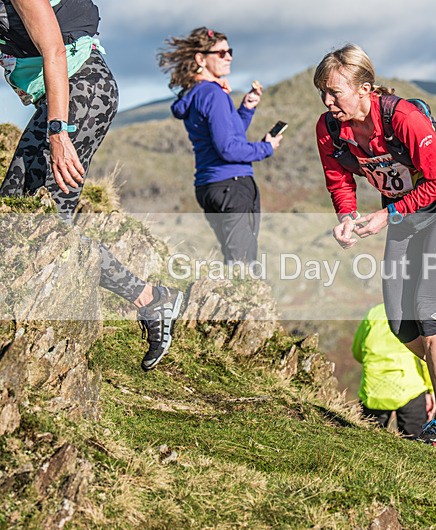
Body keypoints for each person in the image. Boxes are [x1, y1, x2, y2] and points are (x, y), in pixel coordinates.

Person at [314, 44, 436, 447]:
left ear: (365, 89)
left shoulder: (402, 116)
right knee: (400, 323)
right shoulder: (329, 128)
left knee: (429, 309)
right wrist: (347, 217)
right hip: (405, 217)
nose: (327, 101)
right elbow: (339, 177)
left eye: (334, 92)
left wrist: (387, 216)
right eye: (322, 92)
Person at [0, 0, 182, 372]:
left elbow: (53, 49)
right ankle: (150, 298)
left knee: (46, 226)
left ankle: (144, 300)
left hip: (81, 93)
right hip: (63, 97)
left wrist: (57, 131)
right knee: (13, 213)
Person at [159, 27, 282, 264]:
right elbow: (228, 149)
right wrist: (266, 148)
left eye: (230, 51)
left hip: (209, 187)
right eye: (221, 53)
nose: (229, 57)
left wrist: (246, 109)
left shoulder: (196, 93)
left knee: (234, 258)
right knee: (242, 266)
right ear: (200, 59)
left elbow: (228, 135)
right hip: (232, 185)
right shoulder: (213, 94)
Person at [353, 303, 435, 438]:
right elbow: (427, 357)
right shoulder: (414, 312)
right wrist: (431, 390)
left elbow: (357, 352)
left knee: (369, 440)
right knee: (415, 443)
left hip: (374, 389)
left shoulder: (373, 313)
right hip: (410, 389)